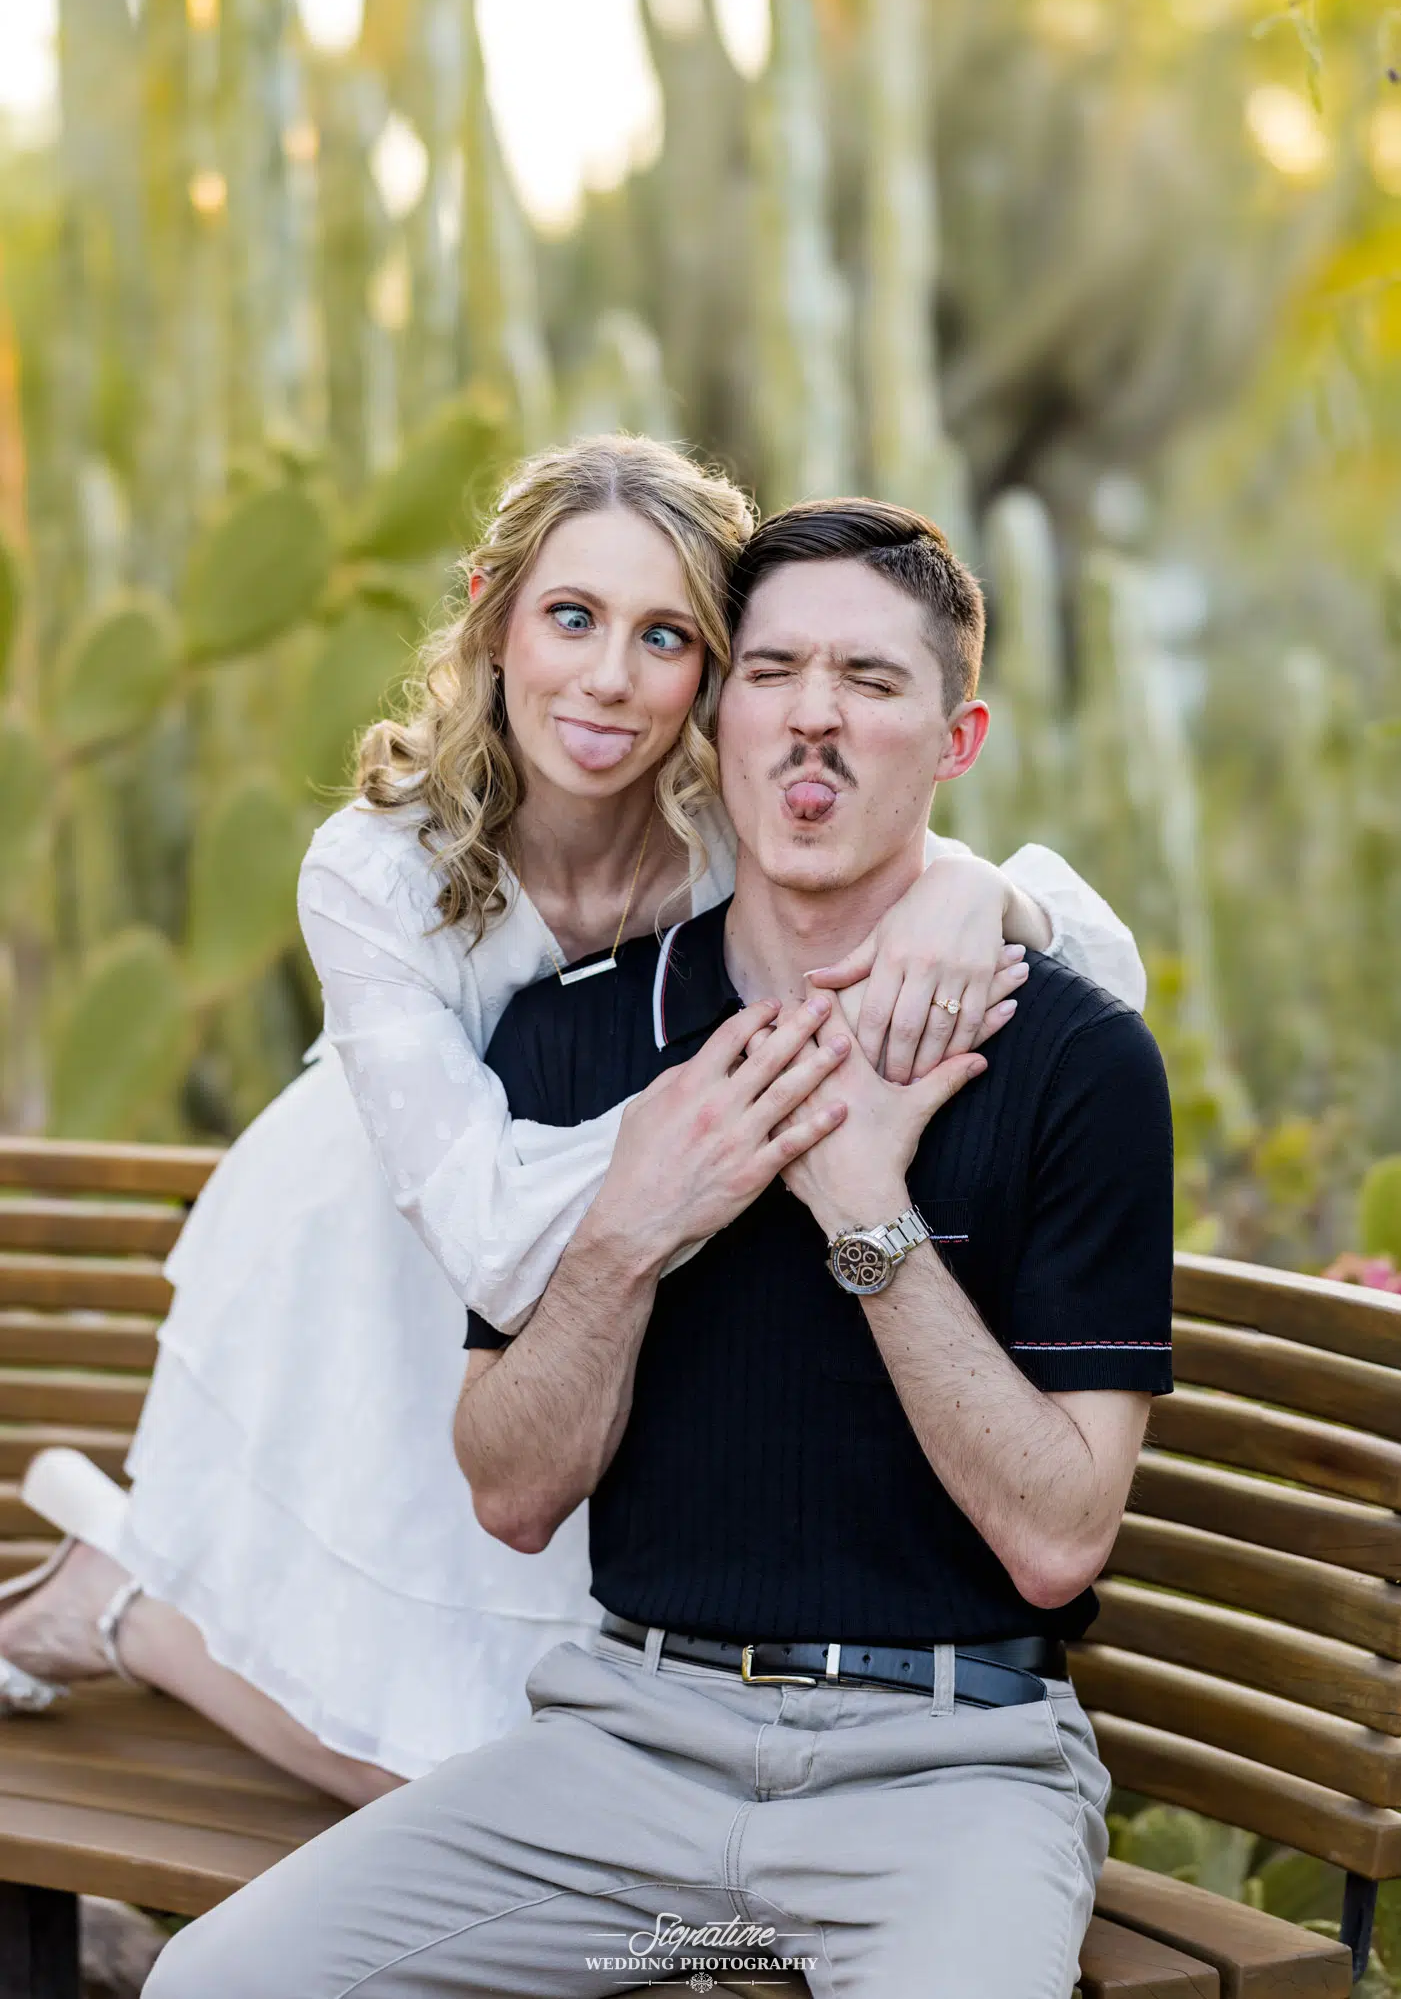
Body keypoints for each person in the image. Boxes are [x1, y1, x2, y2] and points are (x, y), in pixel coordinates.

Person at [0, 439, 1144, 1812]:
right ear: (494, 618)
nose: (609, 677)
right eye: (572, 617)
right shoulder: (378, 869)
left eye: (665, 636)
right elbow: (487, 1239)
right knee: (428, 1771)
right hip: (384, 1252)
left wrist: (973, 894)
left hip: (614, 1285)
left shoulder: (731, 827)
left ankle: (116, 1582)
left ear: (713, 676)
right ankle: (123, 1606)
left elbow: (1094, 968)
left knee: (516, 1745)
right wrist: (772, 1106)